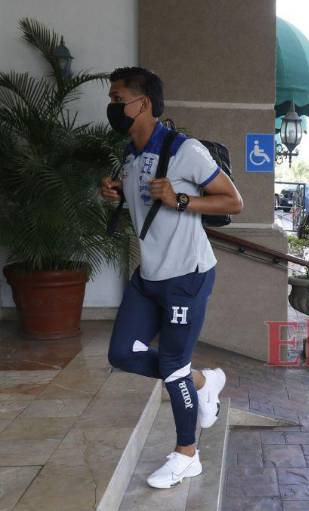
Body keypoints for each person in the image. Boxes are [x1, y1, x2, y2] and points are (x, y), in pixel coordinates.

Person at [101, 67, 243, 489]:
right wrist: (112, 192)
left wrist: (181, 198)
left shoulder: (185, 150)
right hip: (149, 274)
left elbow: (233, 202)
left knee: (171, 364)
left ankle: (187, 454)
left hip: (186, 276)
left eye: (117, 98)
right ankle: (205, 381)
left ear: (142, 104)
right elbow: (142, 207)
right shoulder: (128, 155)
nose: (111, 107)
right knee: (122, 354)